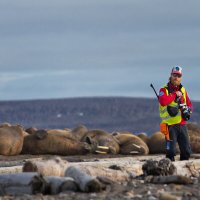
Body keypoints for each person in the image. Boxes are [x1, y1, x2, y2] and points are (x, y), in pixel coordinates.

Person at [158, 66, 193, 161]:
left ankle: (183, 170)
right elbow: (163, 101)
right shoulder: (163, 90)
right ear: (171, 75)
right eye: (174, 75)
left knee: (186, 151)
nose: (176, 77)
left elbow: (189, 103)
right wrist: (174, 94)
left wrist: (188, 109)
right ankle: (169, 172)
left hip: (182, 125)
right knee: (171, 152)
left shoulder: (183, 90)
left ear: (181, 77)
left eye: (178, 75)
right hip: (170, 126)